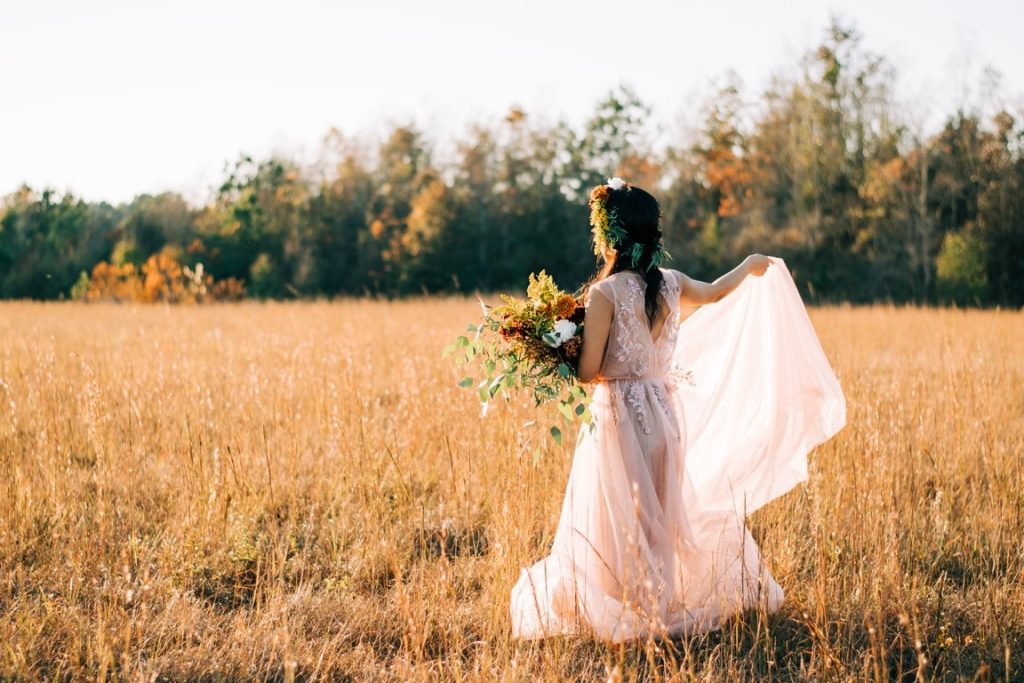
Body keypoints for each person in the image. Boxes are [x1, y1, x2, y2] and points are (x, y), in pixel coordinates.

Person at [510, 178, 846, 642]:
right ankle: (657, 599)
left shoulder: (604, 294)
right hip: (664, 414)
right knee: (659, 513)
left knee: (619, 513)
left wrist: (562, 346)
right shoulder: (670, 284)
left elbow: (590, 373)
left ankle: (626, 603)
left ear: (610, 235)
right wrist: (748, 265)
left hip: (619, 416)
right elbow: (714, 293)